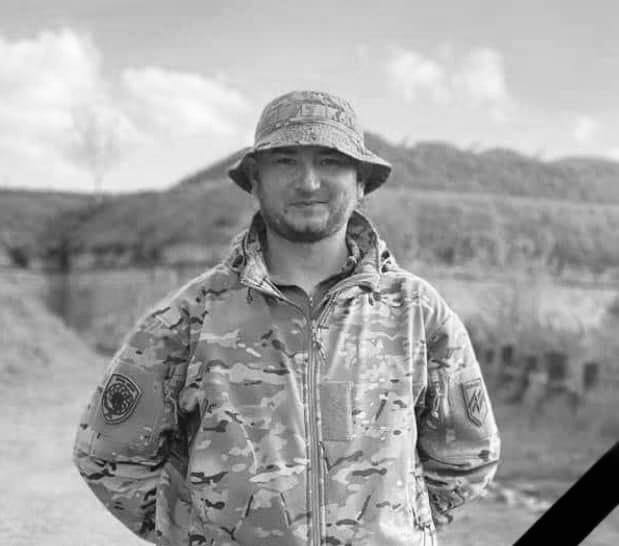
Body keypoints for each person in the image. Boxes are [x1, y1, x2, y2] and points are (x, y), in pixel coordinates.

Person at [73, 90, 500, 546]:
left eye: (330, 161)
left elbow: (467, 456)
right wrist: (196, 534)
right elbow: (109, 457)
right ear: (255, 182)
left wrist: (402, 528)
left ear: (361, 183)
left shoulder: (416, 312)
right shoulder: (189, 318)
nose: (309, 182)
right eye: (285, 161)